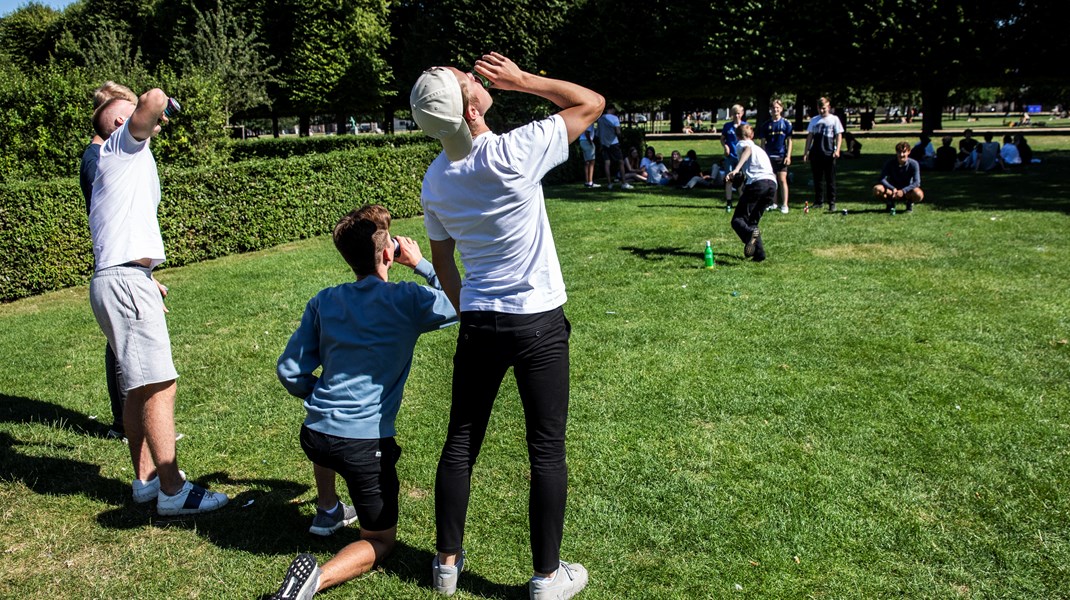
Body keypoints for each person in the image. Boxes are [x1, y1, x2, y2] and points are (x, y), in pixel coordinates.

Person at [410, 52, 602, 599]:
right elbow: (591, 103)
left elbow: (444, 264)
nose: (479, 77)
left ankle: (445, 566)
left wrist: (469, 309)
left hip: (481, 322)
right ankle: (546, 578)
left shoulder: (436, 179)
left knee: (460, 442)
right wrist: (523, 81)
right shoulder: (516, 150)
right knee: (545, 449)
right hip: (537, 320)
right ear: (471, 108)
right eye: (471, 80)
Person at [270, 204, 458, 600]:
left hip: (316, 435)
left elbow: (289, 371)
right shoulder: (406, 299)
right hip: (362, 445)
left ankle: (327, 509)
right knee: (379, 540)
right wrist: (423, 263)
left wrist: (318, 395)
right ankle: (313, 581)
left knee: (326, 426)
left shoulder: (325, 300)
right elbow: (459, 300)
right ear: (390, 253)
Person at [88, 88, 228, 514]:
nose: (147, 122)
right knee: (159, 384)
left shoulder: (120, 161)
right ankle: (173, 490)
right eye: (131, 117)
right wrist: (161, 105)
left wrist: (145, 278)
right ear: (117, 123)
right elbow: (153, 97)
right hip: (125, 280)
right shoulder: (120, 146)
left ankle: (146, 481)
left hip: (121, 277)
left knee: (136, 386)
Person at [80, 81, 138, 440]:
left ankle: (128, 421)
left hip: (123, 264)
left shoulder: (99, 157)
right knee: (122, 345)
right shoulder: (97, 161)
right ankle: (126, 423)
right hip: (118, 265)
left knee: (121, 342)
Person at [725, 124, 776, 262]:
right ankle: (759, 254)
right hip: (771, 184)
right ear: (752, 135)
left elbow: (747, 149)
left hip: (758, 183)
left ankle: (749, 235)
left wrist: (735, 170)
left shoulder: (742, 144)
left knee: (738, 220)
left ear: (737, 136)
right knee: (752, 221)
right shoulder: (760, 149)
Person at [803, 97, 843, 211]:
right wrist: (806, 152)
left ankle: (832, 202)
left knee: (830, 179)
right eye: (820, 108)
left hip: (829, 153)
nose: (822, 111)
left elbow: (838, 135)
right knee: (817, 179)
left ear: (829, 107)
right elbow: (810, 136)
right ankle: (818, 201)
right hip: (816, 153)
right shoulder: (814, 120)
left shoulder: (834, 119)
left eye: (824, 108)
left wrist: (837, 150)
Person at [759, 99, 793, 213]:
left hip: (781, 156)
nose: (775, 110)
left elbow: (789, 141)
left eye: (778, 107)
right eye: (773, 108)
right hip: (769, 157)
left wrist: (788, 156)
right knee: (772, 181)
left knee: (782, 179)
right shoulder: (765, 125)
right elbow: (763, 143)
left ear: (781, 109)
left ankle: (784, 204)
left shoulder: (786, 124)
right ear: (770, 109)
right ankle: (773, 203)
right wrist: (763, 157)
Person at [873, 141, 924, 213]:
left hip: (907, 191)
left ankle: (909, 203)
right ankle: (889, 203)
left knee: (919, 194)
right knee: (877, 189)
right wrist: (893, 189)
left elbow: (917, 182)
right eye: (899, 152)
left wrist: (903, 191)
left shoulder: (914, 164)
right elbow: (882, 179)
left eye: (904, 152)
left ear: (909, 152)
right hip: (892, 191)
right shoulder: (890, 163)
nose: (901, 154)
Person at [597, 103, 629, 189]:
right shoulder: (615, 118)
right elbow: (618, 131)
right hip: (614, 142)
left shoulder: (600, 119)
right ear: (611, 109)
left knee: (607, 163)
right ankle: (624, 183)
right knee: (621, 162)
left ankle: (609, 183)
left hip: (604, 143)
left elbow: (598, 133)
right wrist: (621, 137)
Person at [720, 104, 746, 208]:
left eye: (738, 113)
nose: (736, 116)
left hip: (740, 157)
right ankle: (729, 202)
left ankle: (742, 201)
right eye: (734, 113)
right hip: (730, 156)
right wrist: (725, 146)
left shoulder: (745, 125)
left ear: (742, 114)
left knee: (741, 180)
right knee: (729, 179)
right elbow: (722, 138)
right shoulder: (727, 126)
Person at [578, 123, 599, 188]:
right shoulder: (590, 122)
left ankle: (587, 181)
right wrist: (591, 142)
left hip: (582, 140)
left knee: (587, 162)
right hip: (587, 141)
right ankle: (590, 182)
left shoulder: (585, 121)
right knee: (592, 162)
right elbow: (587, 133)